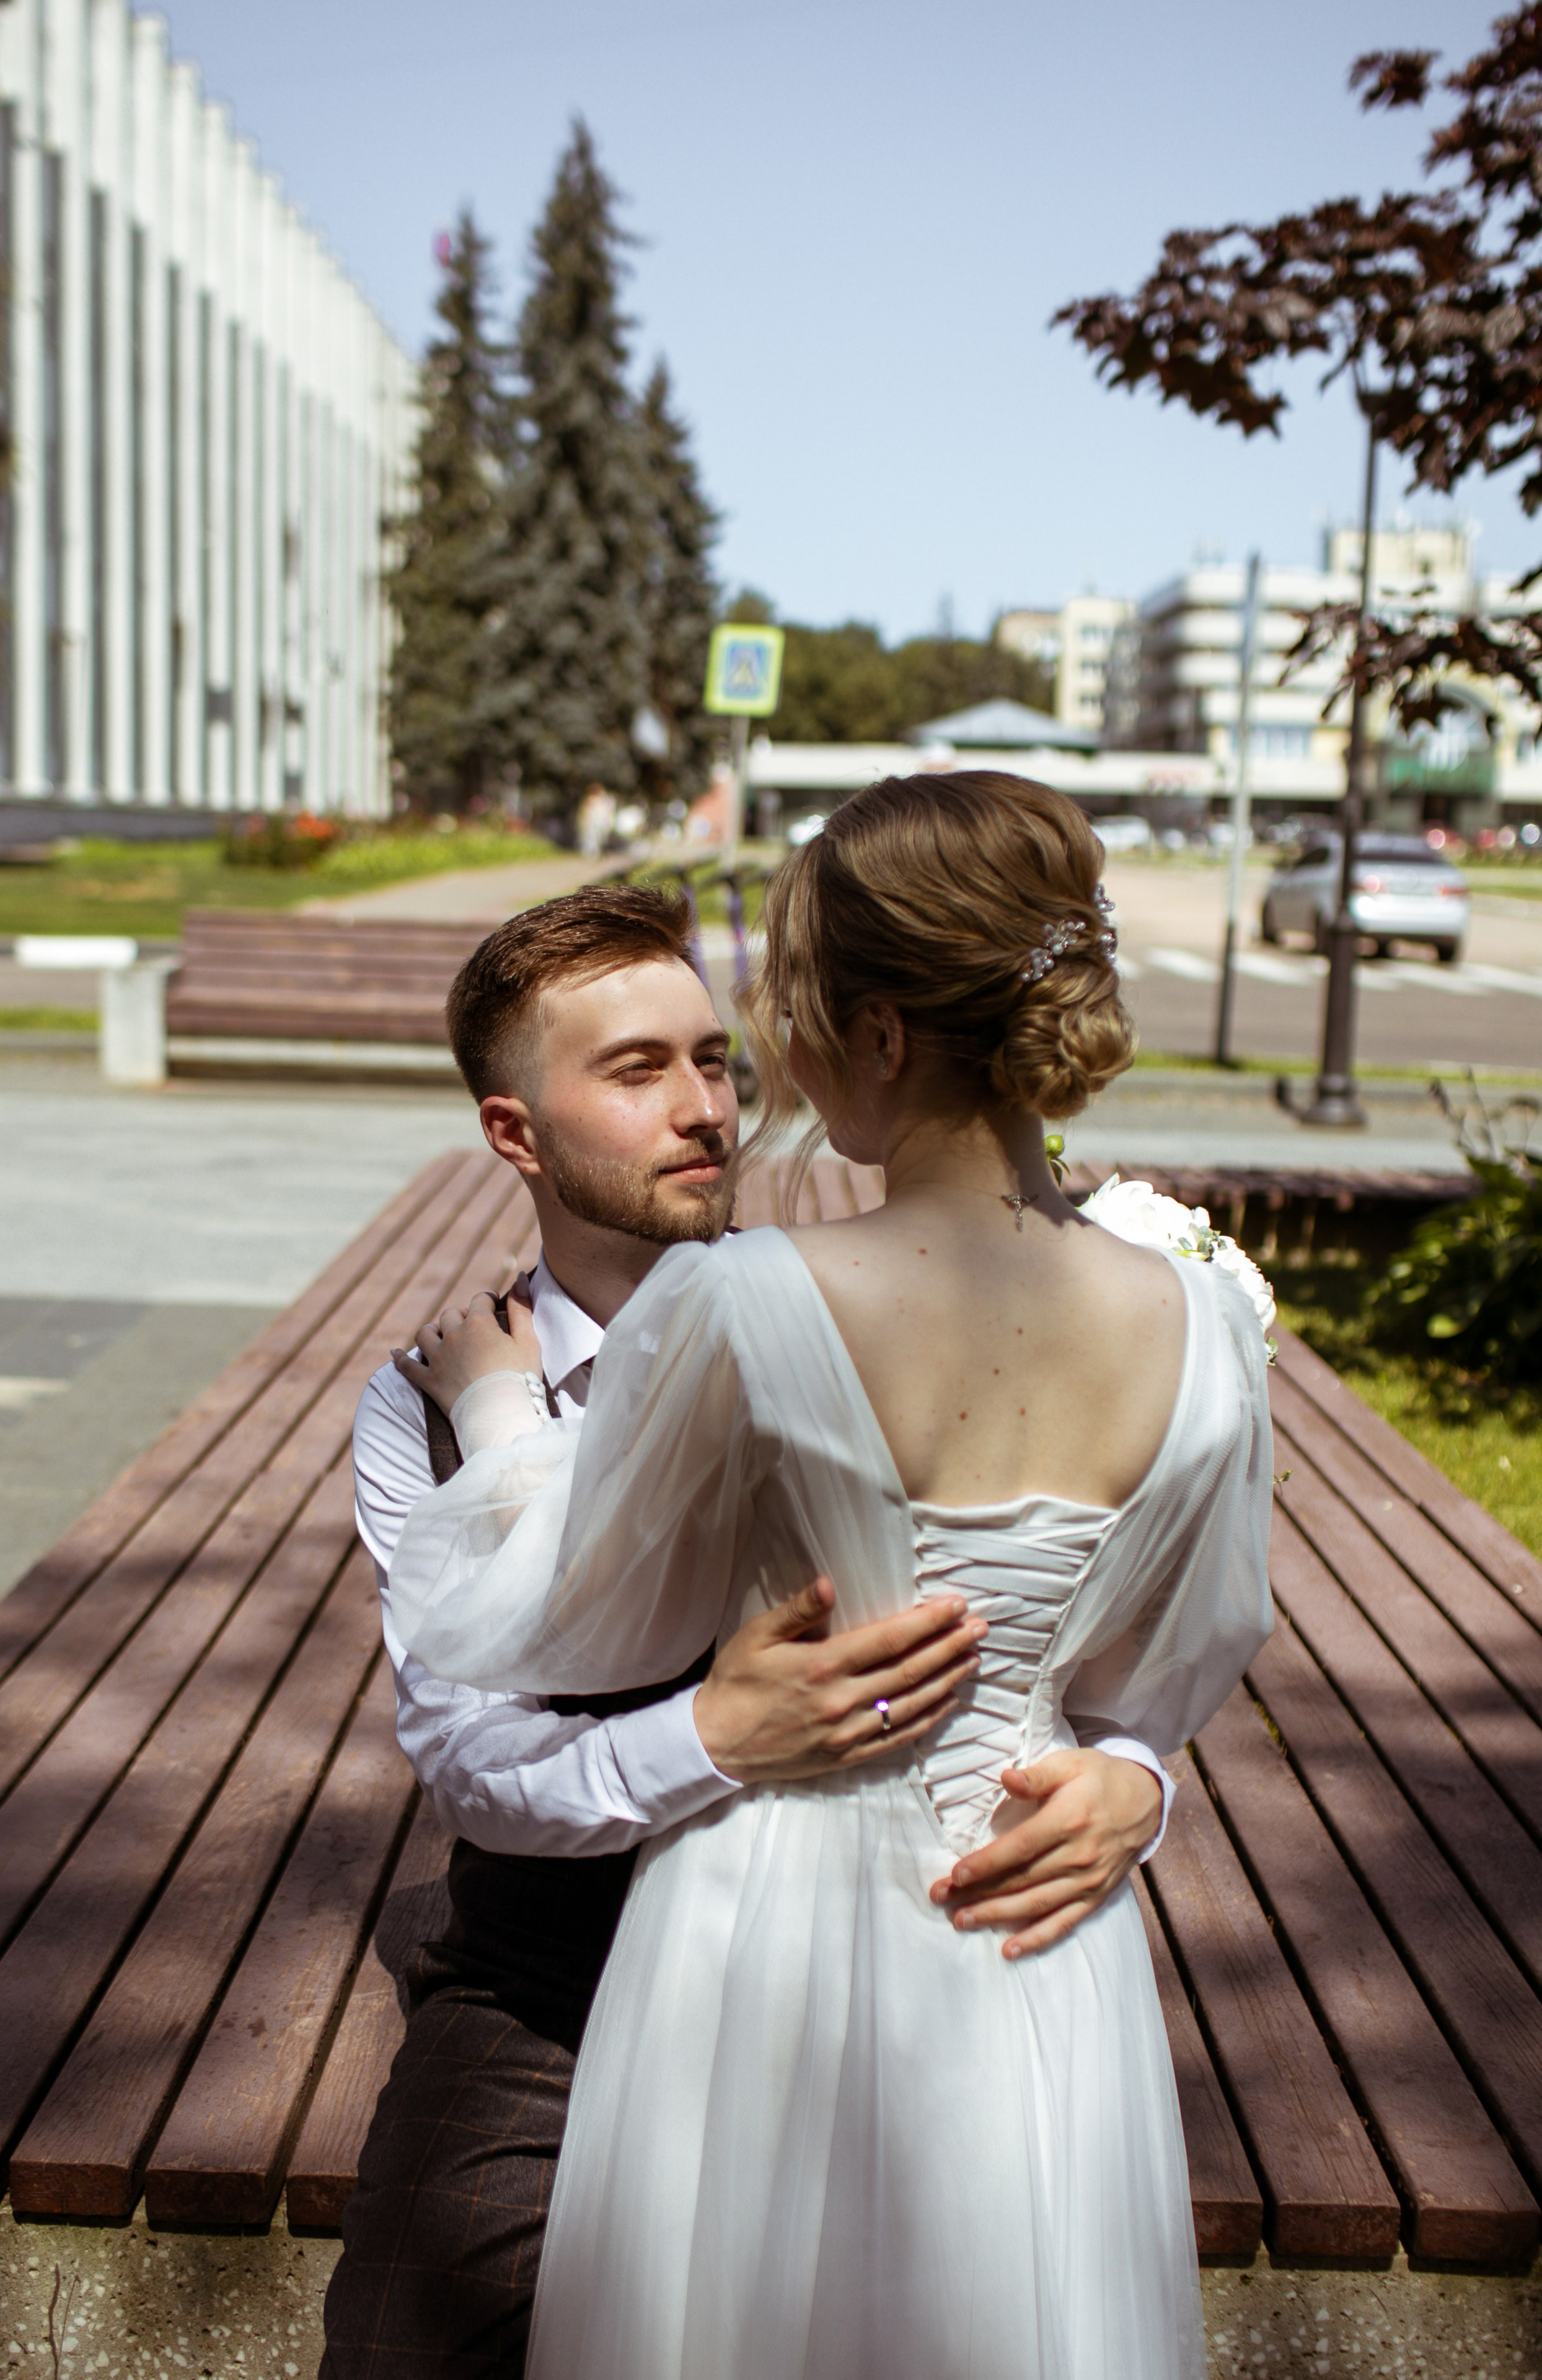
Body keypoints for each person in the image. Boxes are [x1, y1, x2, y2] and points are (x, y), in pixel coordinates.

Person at [391, 778, 1274, 2380]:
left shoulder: (747, 1299)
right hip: (1035, 1940)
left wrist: (498, 1416)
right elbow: (1175, 1658)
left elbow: (566, 1620)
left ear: (878, 1039)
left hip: (767, 1934)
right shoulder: (1206, 1322)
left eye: (779, 1021)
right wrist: (1128, 1768)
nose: (756, 1076)